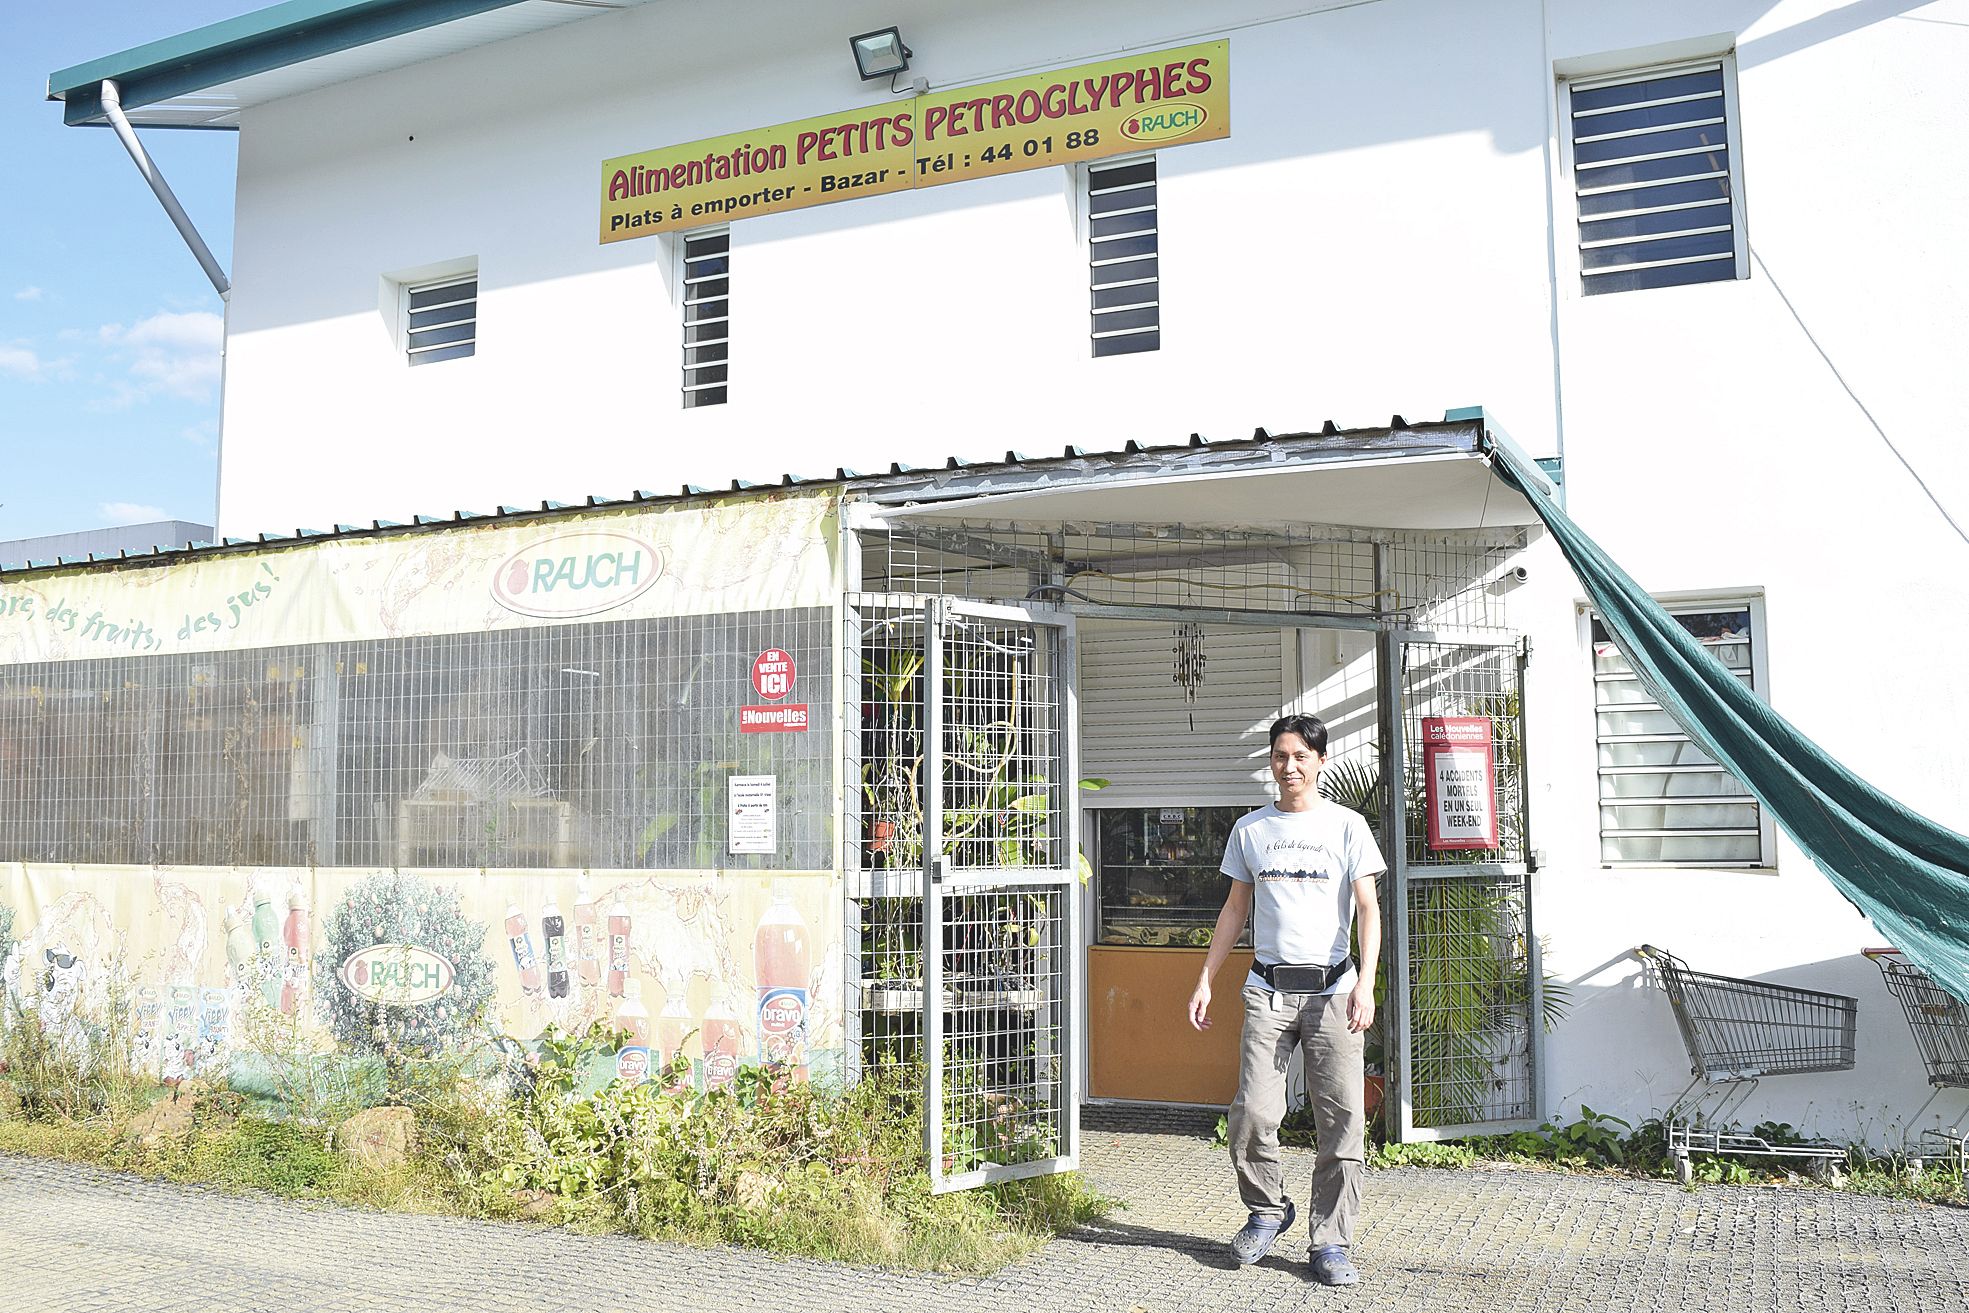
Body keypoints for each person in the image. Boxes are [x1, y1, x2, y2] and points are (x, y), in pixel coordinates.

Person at [1187, 713, 1384, 1287]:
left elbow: (1368, 909)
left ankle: (1331, 1243)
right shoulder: (1250, 830)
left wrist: (1366, 982)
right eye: (1280, 756)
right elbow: (1233, 910)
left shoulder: (1348, 827)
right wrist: (1206, 978)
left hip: (1334, 992)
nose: (1289, 766)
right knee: (1251, 1112)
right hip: (1267, 991)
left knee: (1341, 1120)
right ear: (1271, 763)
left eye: (1300, 755)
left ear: (1320, 760)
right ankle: (1268, 1209)